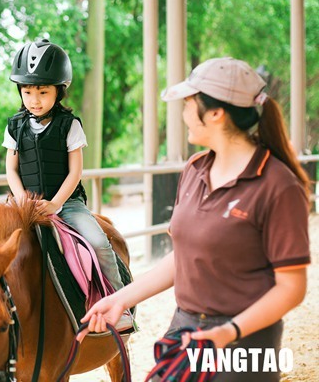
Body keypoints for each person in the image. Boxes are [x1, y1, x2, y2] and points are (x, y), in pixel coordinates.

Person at [79, 57, 310, 381]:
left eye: (189, 103)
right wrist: (119, 300)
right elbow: (185, 257)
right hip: (186, 329)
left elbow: (292, 288)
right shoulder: (195, 169)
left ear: (216, 113)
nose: (184, 113)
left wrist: (229, 332)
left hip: (246, 345)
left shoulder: (278, 185)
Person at [2, 39, 128, 301]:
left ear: (58, 91)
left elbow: (75, 172)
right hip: (24, 202)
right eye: (27, 92)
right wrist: (22, 197)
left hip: (66, 203)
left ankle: (119, 303)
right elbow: (11, 169)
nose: (34, 100)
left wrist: (55, 204)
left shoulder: (69, 125)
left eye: (43, 92)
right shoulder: (15, 126)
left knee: (98, 244)